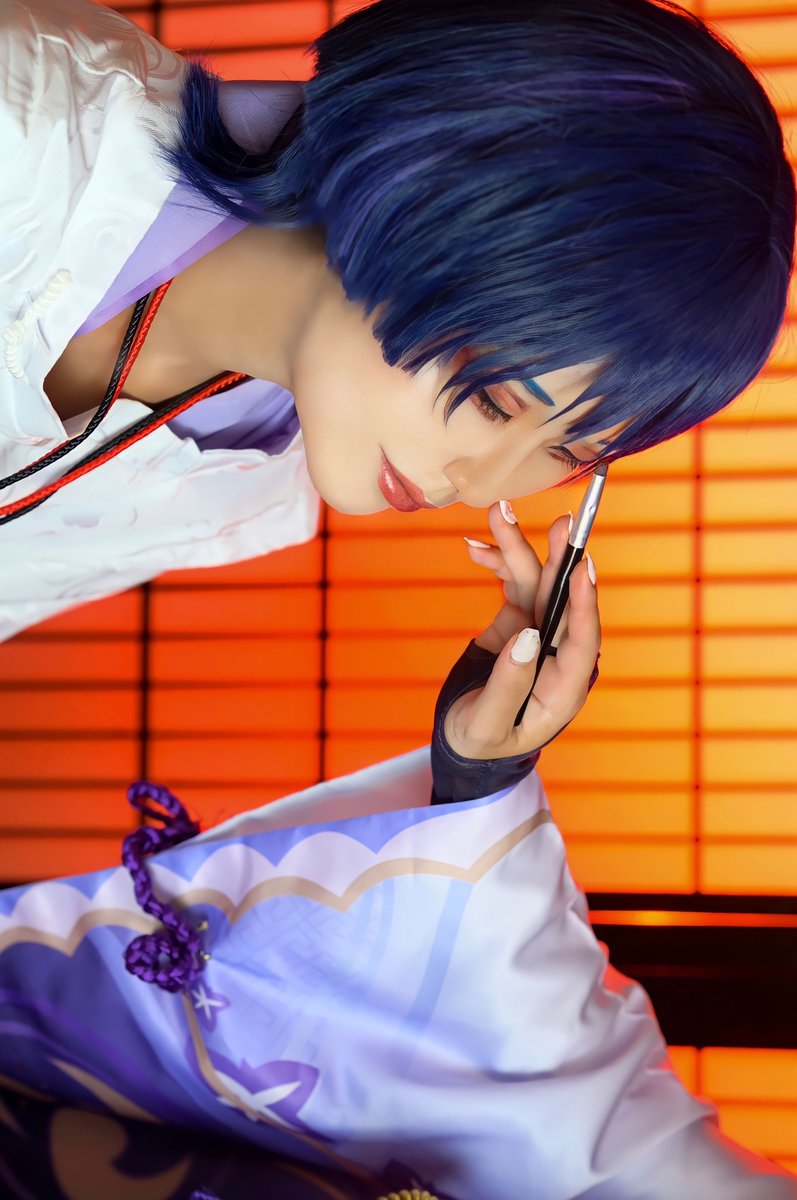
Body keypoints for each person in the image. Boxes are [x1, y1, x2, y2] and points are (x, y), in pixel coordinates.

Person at [0, 1, 795, 1196]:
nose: (479, 484)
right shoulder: (25, 130)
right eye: (494, 401)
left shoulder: (261, 481)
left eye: (561, 454)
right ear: (419, 194)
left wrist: (474, 769)